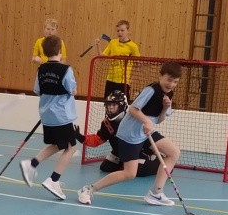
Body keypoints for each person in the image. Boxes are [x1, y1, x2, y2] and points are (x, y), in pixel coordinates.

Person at [78, 61, 182, 207]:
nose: (171, 84)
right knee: (129, 174)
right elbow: (133, 109)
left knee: (174, 153)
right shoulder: (151, 90)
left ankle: (156, 193)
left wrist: (165, 108)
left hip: (145, 132)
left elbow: (158, 120)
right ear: (160, 76)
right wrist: (146, 121)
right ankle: (89, 189)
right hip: (130, 134)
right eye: (169, 80)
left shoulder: (169, 94)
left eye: (175, 82)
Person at [18, 35, 77, 200]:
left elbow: (37, 90)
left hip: (46, 115)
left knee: (58, 145)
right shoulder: (66, 69)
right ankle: (54, 180)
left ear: (44, 52)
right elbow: (72, 90)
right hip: (62, 115)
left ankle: (32, 164)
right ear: (60, 50)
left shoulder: (41, 69)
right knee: (71, 147)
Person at [75, 90, 160, 176]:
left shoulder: (132, 120)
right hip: (119, 152)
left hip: (137, 153)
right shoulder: (106, 123)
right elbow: (98, 139)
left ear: (122, 106)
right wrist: (81, 138)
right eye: (108, 105)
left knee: (138, 170)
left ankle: (157, 163)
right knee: (106, 167)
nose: (110, 108)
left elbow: (146, 139)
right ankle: (123, 162)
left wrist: (152, 150)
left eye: (114, 105)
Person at [99, 19, 140, 97]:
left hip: (123, 81)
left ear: (128, 31)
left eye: (122, 30)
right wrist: (98, 45)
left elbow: (137, 65)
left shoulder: (133, 46)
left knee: (122, 102)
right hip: (110, 79)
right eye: (118, 31)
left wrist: (132, 79)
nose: (120, 32)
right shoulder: (113, 42)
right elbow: (102, 57)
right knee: (108, 102)